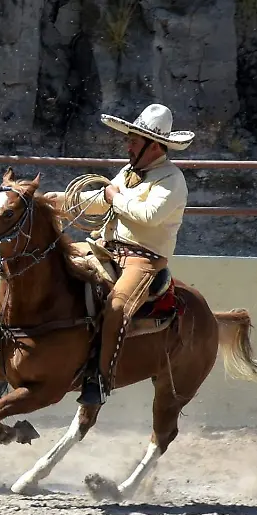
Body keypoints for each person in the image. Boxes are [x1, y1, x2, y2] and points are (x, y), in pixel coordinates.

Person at [48, 103, 193, 406]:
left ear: (154, 146)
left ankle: (100, 380)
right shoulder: (129, 173)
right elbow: (99, 201)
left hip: (144, 261)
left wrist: (116, 196)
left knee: (116, 307)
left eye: (134, 141)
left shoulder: (172, 179)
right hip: (107, 249)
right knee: (51, 264)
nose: (127, 145)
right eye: (129, 139)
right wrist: (59, 201)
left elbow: (149, 214)